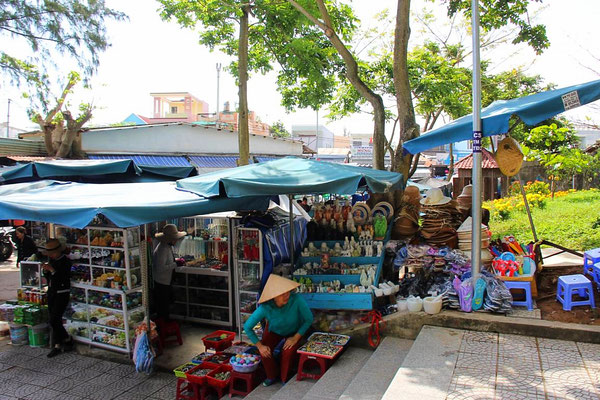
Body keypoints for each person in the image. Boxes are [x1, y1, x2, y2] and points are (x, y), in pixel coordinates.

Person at [243, 274, 314, 386]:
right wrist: (260, 346)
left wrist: (296, 337)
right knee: (265, 351)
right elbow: (247, 327)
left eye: (288, 292)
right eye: (282, 294)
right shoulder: (265, 307)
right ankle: (271, 375)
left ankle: (284, 378)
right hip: (274, 330)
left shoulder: (296, 299)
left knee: (288, 352)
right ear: (273, 296)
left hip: (294, 330)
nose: (286, 295)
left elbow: (309, 319)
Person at [41, 238, 73, 358]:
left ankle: (64, 340)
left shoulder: (65, 261)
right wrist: (47, 271)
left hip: (62, 292)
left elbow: (63, 278)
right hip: (52, 292)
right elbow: (50, 278)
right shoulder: (51, 260)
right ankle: (61, 342)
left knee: (54, 319)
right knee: (54, 319)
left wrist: (53, 270)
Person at [152, 224, 186, 322]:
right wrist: (176, 264)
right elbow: (160, 268)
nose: (176, 241)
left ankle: (165, 325)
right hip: (161, 282)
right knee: (163, 308)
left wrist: (176, 261)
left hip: (164, 281)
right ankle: (163, 327)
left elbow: (167, 262)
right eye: (175, 239)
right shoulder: (162, 249)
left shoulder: (166, 246)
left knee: (165, 306)